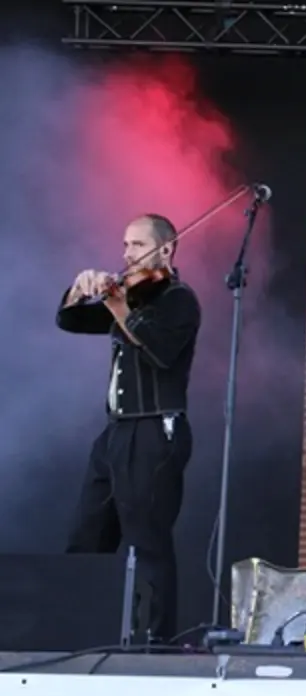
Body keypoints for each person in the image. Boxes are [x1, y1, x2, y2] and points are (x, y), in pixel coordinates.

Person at [57, 214, 201, 643]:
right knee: (86, 535)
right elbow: (71, 321)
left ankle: (152, 642)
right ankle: (77, 632)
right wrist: (77, 290)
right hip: (116, 431)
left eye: (137, 245)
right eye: (124, 245)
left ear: (166, 250)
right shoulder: (133, 297)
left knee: (147, 541)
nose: (126, 254)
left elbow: (160, 352)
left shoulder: (178, 299)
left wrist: (120, 307)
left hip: (155, 430)